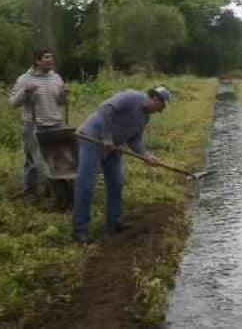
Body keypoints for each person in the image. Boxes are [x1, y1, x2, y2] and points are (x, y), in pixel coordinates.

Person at [71, 86, 170, 243]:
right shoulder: (131, 97)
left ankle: (114, 223)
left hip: (114, 146)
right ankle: (80, 230)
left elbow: (135, 140)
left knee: (116, 183)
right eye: (161, 107)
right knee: (86, 185)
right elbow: (104, 109)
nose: (160, 111)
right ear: (155, 99)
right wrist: (106, 137)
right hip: (93, 139)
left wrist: (147, 155)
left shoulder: (145, 118)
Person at [9, 48, 67, 201]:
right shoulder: (25, 79)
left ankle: (51, 191)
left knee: (55, 160)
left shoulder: (56, 78)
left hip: (55, 124)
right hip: (34, 125)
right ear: (37, 61)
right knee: (33, 161)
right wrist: (25, 92)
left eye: (51, 57)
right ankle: (30, 192)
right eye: (47, 57)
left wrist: (63, 94)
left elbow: (61, 102)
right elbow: (13, 103)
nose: (51, 60)